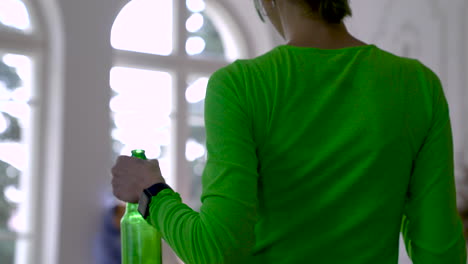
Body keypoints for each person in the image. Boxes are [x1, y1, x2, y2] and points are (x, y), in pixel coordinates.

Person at [111, 0, 467, 263]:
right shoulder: (418, 85)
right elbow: (441, 255)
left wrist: (150, 192)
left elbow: (217, 251)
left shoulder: (241, 86)